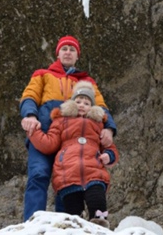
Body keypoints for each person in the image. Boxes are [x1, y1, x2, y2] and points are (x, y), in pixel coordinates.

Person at [20, 35, 117, 220]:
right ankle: (32, 224)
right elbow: (29, 96)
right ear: (57, 53)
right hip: (45, 134)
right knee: (38, 175)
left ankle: (65, 224)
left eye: (72, 50)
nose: (68, 52)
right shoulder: (42, 74)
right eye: (64, 49)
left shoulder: (87, 81)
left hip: (70, 141)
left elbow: (101, 106)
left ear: (77, 56)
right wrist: (30, 116)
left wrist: (109, 128)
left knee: (67, 182)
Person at [27, 81, 119, 228]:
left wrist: (109, 156)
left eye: (86, 102)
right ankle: (76, 228)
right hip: (67, 174)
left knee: (97, 201)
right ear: (72, 104)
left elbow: (110, 147)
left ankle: (99, 226)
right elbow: (49, 143)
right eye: (78, 101)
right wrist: (33, 131)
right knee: (73, 212)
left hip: (94, 171)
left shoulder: (98, 124)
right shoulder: (61, 121)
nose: (82, 105)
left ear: (93, 107)